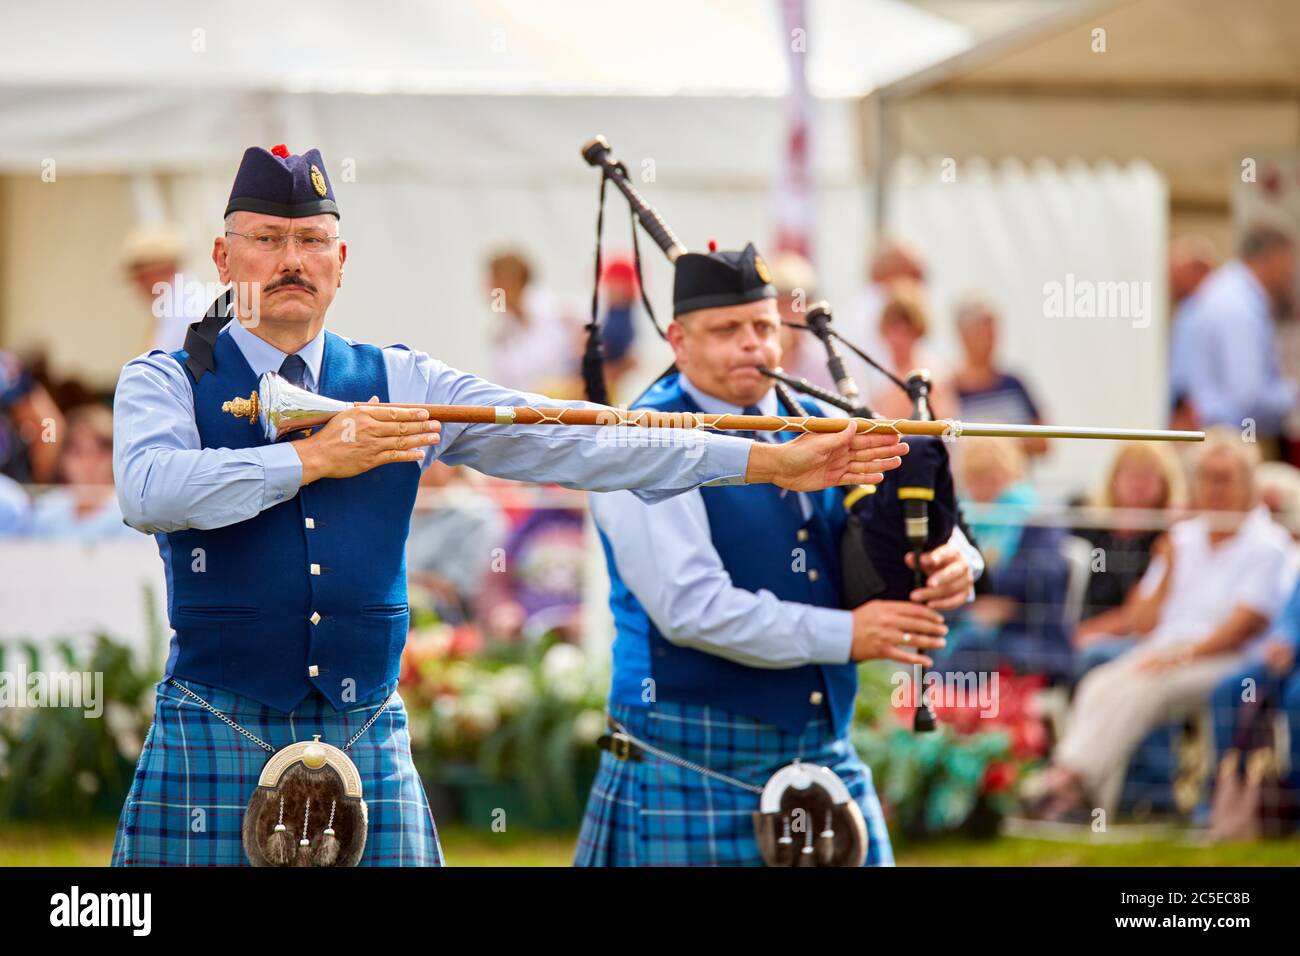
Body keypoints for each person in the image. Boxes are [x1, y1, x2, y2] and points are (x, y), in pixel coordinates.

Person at [109, 144, 908, 867]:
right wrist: (314, 458)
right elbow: (149, 492)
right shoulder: (166, 379)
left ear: (340, 260)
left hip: (364, 733)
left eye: (311, 240)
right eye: (266, 238)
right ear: (222, 255)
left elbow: (580, 437)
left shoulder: (403, 377)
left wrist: (765, 459)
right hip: (216, 722)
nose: (292, 258)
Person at [575, 243, 980, 867]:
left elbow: (903, 513)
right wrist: (848, 635)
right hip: (692, 752)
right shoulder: (644, 440)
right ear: (678, 340)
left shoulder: (819, 419)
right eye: (726, 330)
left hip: (820, 747)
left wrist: (956, 559)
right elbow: (691, 607)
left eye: (763, 326)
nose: (752, 345)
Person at [1026, 429, 1298, 821]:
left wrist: (1182, 655)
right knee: (1099, 684)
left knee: (1145, 689)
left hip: (1227, 660)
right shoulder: (1183, 539)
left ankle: (1069, 787)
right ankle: (1077, 786)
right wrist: (1168, 568)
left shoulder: (1268, 546)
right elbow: (1140, 620)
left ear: (1248, 484)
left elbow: (1244, 625)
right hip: (1166, 651)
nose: (1215, 489)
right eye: (1207, 478)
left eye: (1225, 478)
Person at [932, 437, 1071, 680]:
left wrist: (979, 585)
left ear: (1011, 475)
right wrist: (976, 605)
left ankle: (937, 706)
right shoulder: (960, 514)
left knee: (971, 644)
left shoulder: (1037, 517)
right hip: (966, 619)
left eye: (992, 478)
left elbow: (1040, 577)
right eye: (976, 479)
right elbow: (941, 576)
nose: (985, 489)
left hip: (1026, 630)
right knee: (939, 640)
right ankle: (937, 706)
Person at [1070, 442, 1186, 677]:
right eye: (1131, 475)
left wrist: (1088, 633)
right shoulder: (1090, 528)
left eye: (1148, 476)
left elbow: (1138, 615)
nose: (1138, 485)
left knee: (1091, 656)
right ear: (1114, 479)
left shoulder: (1166, 539)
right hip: (1082, 630)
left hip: (1134, 638)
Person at [1180, 221, 1297, 451]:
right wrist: (1293, 395)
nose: (1292, 273)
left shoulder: (1224, 292)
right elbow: (1248, 397)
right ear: (1274, 258)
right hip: (1227, 445)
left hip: (1212, 439)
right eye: (1290, 262)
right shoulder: (1241, 309)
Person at [951, 295, 1048, 458]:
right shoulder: (949, 389)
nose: (991, 339)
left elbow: (1044, 441)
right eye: (982, 331)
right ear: (964, 336)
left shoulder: (1014, 384)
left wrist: (1001, 446)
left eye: (993, 332)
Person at [29, 404, 134, 540]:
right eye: (77, 453)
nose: (88, 463)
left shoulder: (130, 516)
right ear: (63, 459)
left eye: (99, 453)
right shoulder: (45, 510)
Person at [485, 249, 580, 397]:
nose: (487, 290)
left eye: (493, 283)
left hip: (569, 411)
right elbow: (500, 387)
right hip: (524, 414)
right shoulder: (500, 333)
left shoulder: (564, 314)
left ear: (509, 282)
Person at [868, 280, 955, 420]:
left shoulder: (931, 378)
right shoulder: (878, 379)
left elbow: (939, 431)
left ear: (918, 332)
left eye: (905, 332)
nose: (897, 339)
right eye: (892, 330)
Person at [1166, 235, 1217, 429]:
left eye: (1175, 272)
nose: (1170, 281)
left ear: (1199, 268)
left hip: (1198, 416)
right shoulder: (1188, 308)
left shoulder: (1209, 309)